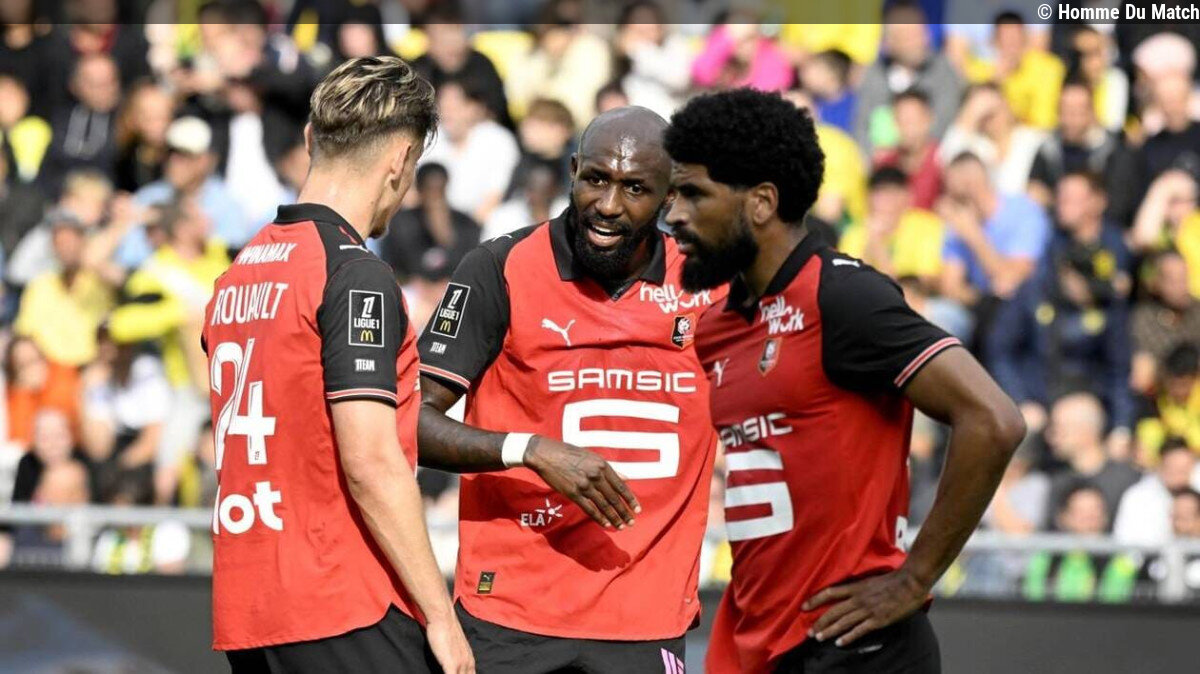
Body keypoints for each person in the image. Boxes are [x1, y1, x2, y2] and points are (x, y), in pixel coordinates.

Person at [664, 88, 1024, 674]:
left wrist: (915, 578)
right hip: (757, 640)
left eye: (694, 193)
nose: (675, 213)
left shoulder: (843, 295)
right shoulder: (717, 327)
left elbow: (994, 419)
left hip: (854, 646)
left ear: (761, 202)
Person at [415, 106, 721, 673]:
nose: (608, 205)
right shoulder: (499, 267)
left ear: (670, 197)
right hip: (510, 614)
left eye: (635, 188)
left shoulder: (711, 284)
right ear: (574, 170)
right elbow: (407, 420)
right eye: (596, 179)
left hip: (646, 619)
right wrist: (528, 450)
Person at [201, 57, 472, 673]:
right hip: (341, 599)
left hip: (251, 605)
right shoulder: (354, 274)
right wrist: (441, 615)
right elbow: (371, 462)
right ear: (400, 160)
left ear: (308, 139)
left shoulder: (238, 272)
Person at [1027, 81, 1139, 225]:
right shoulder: (1047, 150)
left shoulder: (1113, 150)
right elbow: (1034, 194)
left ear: (1092, 113)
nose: (1071, 119)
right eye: (1065, 110)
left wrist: (1062, 202)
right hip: (1054, 228)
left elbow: (1119, 206)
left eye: (1078, 111)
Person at [1042, 393, 1141, 525]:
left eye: (1058, 429)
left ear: (1085, 429)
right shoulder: (1057, 482)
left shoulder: (1129, 482)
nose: (1050, 436)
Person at [1114, 440, 1200, 545]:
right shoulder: (1137, 498)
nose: (1179, 476)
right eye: (1173, 469)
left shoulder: (1196, 491)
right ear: (1161, 466)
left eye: (1184, 470)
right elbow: (1125, 542)